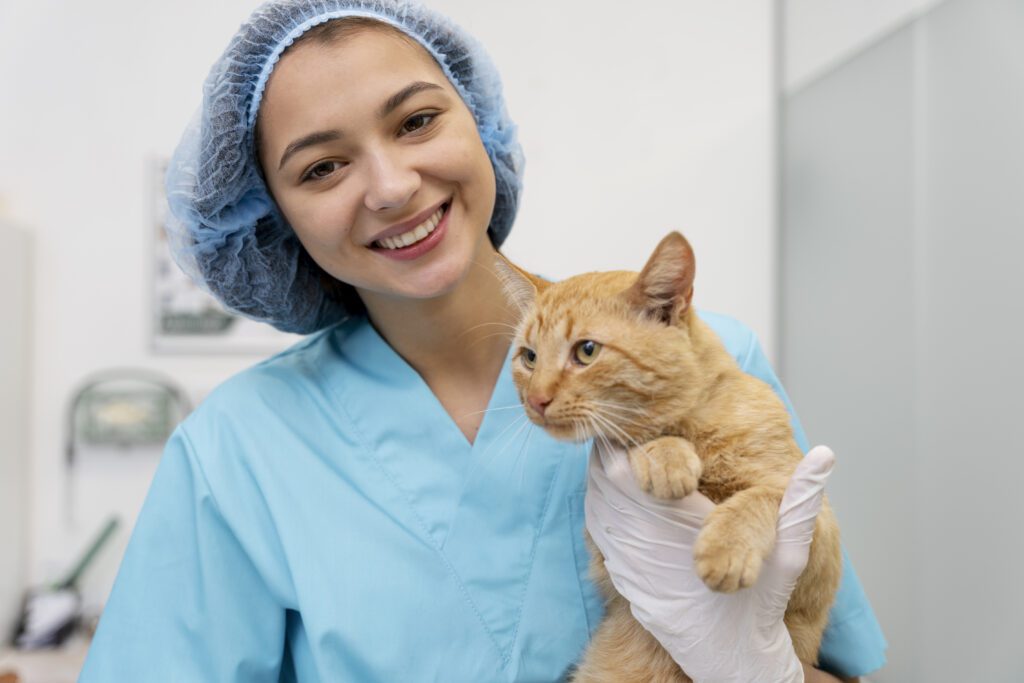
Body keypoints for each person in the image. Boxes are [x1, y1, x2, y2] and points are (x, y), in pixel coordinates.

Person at [78, 1, 887, 681]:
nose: (392, 187)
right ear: (271, 215)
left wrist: (760, 669)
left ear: (478, 120)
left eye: (417, 120)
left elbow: (846, 664)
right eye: (321, 168)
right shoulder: (236, 452)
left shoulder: (713, 363)